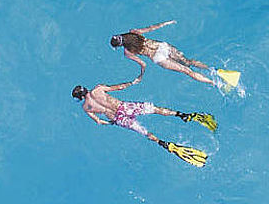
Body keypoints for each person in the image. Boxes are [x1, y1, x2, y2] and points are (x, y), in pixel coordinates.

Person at [73, 80, 216, 166]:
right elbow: (120, 87)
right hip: (125, 107)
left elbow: (99, 122)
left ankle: (166, 144)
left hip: (118, 119)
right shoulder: (98, 89)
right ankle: (183, 115)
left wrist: (111, 122)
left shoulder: (86, 108)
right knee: (155, 109)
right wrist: (134, 81)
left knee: (145, 132)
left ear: (80, 97)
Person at [111, 20, 240, 90]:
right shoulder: (134, 33)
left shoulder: (128, 52)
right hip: (162, 46)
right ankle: (217, 71)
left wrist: (140, 76)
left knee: (187, 71)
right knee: (188, 62)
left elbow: (143, 64)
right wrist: (165, 23)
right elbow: (151, 28)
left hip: (158, 58)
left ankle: (217, 84)